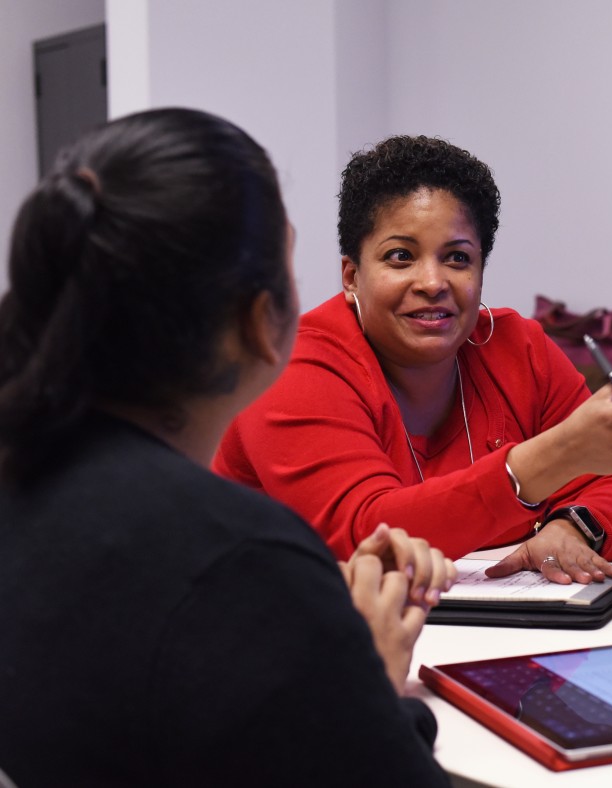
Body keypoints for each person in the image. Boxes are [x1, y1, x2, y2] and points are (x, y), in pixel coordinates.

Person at [0, 109, 454, 786]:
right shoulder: (241, 561)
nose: (433, 282)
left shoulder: (27, 474)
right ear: (257, 322)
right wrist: (372, 675)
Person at [216, 136, 612, 584]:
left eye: (457, 258)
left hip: (496, 635)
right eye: (400, 256)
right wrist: (556, 455)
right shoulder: (296, 366)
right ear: (352, 276)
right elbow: (368, 540)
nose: (433, 282)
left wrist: (572, 527)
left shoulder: (518, 348)